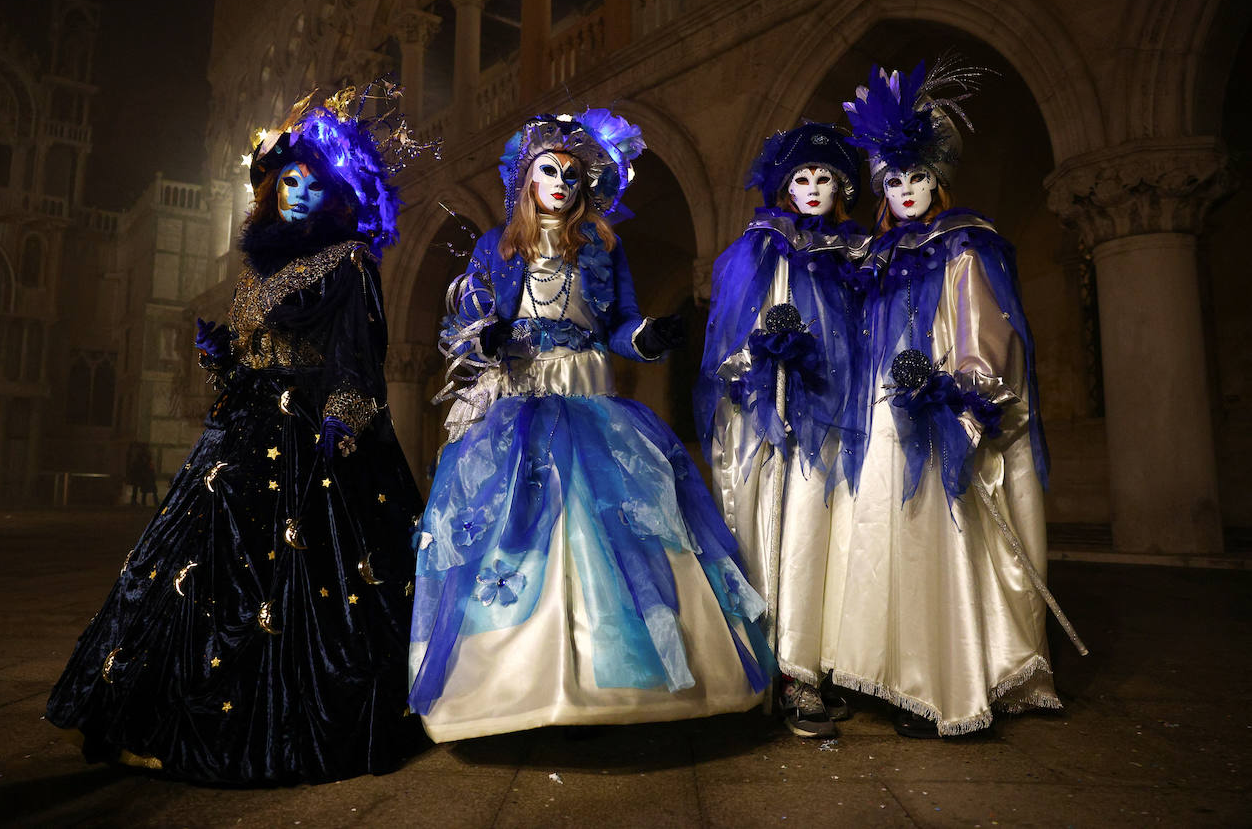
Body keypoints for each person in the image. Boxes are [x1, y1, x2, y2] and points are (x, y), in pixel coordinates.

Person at [45, 85, 432, 783]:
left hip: (316, 436)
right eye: (288, 181)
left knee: (305, 579)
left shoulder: (348, 265)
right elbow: (253, 357)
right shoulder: (255, 271)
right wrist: (223, 357)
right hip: (240, 438)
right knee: (192, 571)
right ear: (269, 190)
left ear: (333, 195)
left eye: (314, 184)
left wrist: (342, 416)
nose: (300, 194)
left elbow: (358, 356)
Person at [409, 110, 770, 742]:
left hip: (596, 408)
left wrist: (650, 336)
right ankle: (515, 688)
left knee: (616, 527)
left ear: (586, 188)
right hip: (522, 409)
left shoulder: (601, 247)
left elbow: (621, 326)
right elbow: (463, 326)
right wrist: (489, 337)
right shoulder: (496, 247)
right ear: (525, 179)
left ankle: (623, 687)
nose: (560, 183)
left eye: (572, 176)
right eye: (548, 170)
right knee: (518, 532)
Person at [829, 59, 1060, 737]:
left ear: (938, 181)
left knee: (936, 540)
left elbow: (986, 336)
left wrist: (960, 397)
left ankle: (946, 684)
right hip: (879, 416)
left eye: (917, 178)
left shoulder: (961, 247)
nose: (904, 192)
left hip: (932, 412)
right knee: (881, 539)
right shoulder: (875, 259)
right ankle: (895, 674)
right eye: (893, 180)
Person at [694, 123, 867, 738]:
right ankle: (782, 673)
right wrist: (766, 357)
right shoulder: (763, 246)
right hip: (773, 416)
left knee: (821, 539)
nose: (814, 189)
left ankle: (815, 666)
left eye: (825, 178)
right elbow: (734, 338)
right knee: (774, 532)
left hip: (836, 415)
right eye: (802, 178)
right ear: (784, 186)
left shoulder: (853, 255)